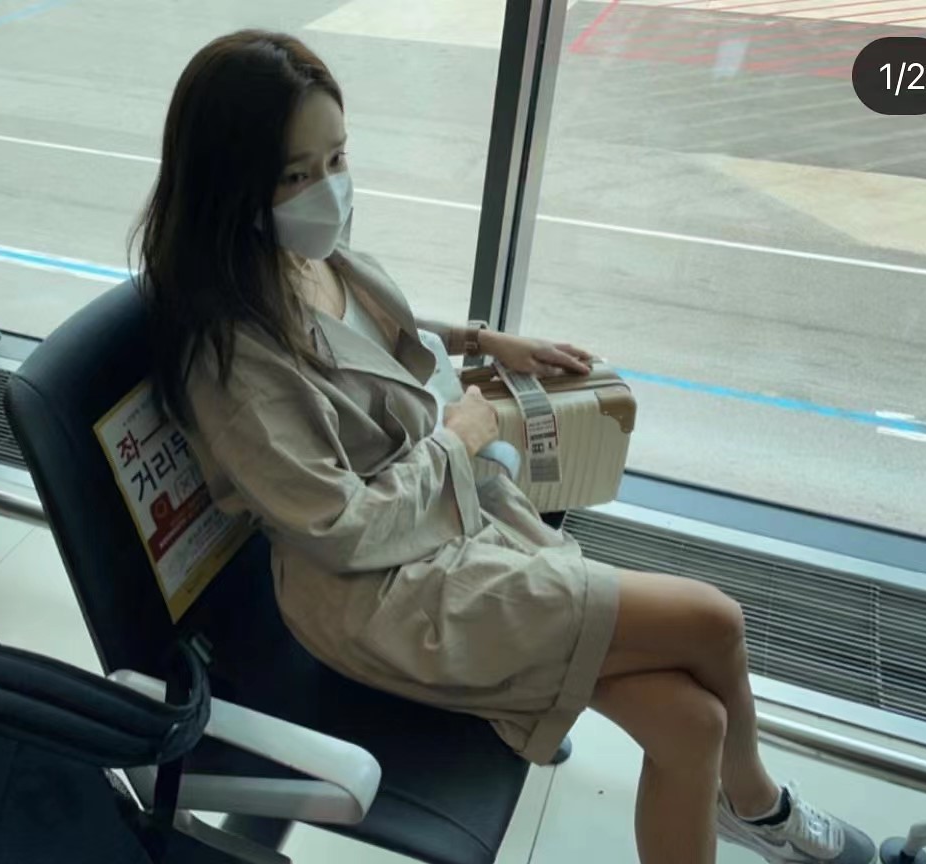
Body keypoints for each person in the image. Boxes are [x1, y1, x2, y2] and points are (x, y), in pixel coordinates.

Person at [135, 30, 876, 864]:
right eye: (295, 175)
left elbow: (378, 336)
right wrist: (456, 442)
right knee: (714, 621)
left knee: (692, 721)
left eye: (337, 159)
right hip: (382, 597)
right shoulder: (232, 362)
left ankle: (741, 802)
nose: (329, 189)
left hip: (450, 527)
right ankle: (760, 807)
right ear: (231, 185)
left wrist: (484, 341)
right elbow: (340, 532)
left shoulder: (308, 258)